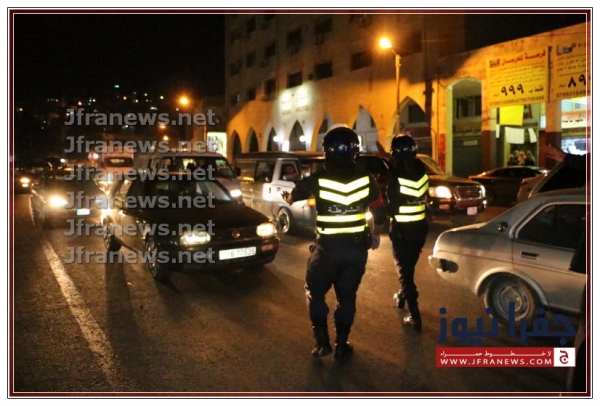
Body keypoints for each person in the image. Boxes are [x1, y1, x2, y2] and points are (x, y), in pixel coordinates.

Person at [282, 125, 386, 360]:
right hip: (356, 250)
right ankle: (341, 344)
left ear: (327, 151)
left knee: (315, 292)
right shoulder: (366, 180)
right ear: (355, 152)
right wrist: (376, 235)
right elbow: (380, 212)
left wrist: (288, 197)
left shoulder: (318, 179)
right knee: (347, 298)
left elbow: (294, 195)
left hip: (327, 250)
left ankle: (322, 343)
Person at [387, 134, 429, 331]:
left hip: (402, 230)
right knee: (408, 267)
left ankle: (414, 314)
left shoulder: (395, 175)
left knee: (405, 272)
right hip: (420, 228)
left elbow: (393, 206)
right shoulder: (421, 170)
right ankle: (403, 295)